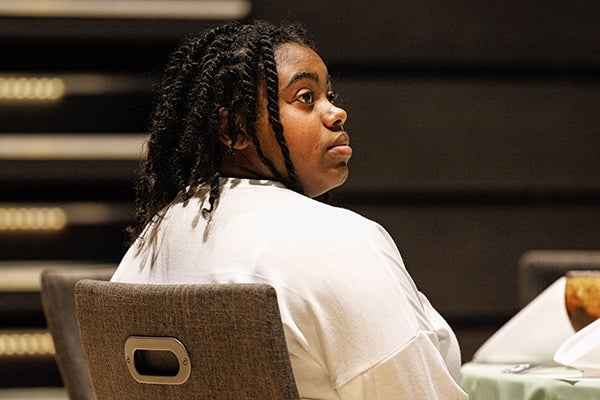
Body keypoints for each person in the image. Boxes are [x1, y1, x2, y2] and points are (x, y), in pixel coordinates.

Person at [111, 19, 468, 399]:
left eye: (330, 95)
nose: (335, 113)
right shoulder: (335, 240)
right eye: (305, 97)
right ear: (235, 130)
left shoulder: (155, 237)